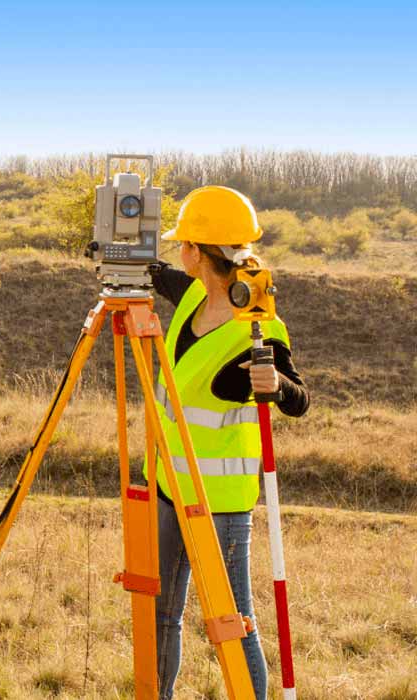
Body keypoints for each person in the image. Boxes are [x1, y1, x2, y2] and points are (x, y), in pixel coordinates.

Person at [147, 186, 310, 699]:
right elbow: (164, 278)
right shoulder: (195, 290)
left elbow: (300, 399)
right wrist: (121, 257)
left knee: (233, 624)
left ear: (197, 251)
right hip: (170, 486)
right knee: (161, 613)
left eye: (182, 244)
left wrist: (277, 387)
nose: (178, 254)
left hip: (220, 504)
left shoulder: (258, 327)